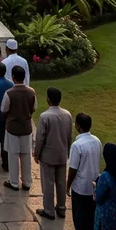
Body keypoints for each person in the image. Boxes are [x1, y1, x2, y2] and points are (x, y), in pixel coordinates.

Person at [33, 87, 73, 220]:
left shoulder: (45, 116)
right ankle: (61, 208)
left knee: (48, 183)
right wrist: (67, 152)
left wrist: (36, 154)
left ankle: (49, 210)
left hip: (48, 155)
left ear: (48, 99)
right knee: (61, 182)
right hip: (62, 154)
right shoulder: (67, 114)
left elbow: (40, 138)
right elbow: (69, 136)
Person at [1, 64, 36, 191]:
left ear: (14, 78)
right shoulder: (31, 92)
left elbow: (4, 109)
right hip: (26, 128)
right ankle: (27, 182)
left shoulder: (9, 93)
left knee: (13, 155)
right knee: (26, 155)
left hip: (13, 128)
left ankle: (14, 182)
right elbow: (34, 108)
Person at [68, 112, 102, 230]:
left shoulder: (77, 145)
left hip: (80, 188)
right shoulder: (97, 141)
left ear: (78, 126)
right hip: (93, 186)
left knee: (79, 220)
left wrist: (67, 186)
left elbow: (73, 169)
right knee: (90, 219)